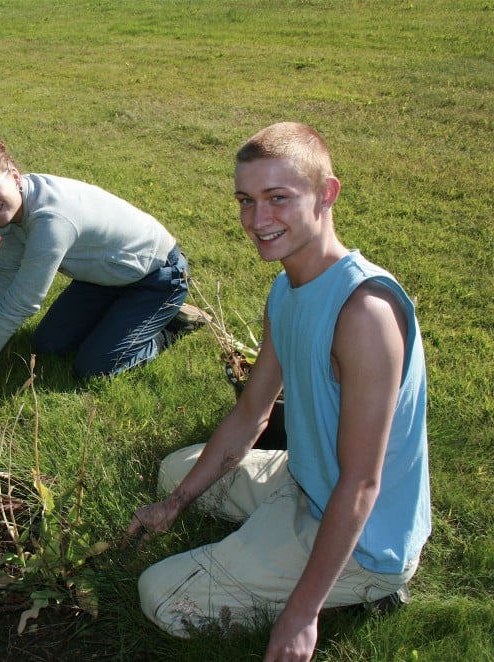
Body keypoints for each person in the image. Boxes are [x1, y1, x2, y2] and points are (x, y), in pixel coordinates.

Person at [127, 122, 431, 661]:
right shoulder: (288, 285)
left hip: (366, 535)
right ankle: (269, 541)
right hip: (307, 478)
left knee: (161, 596)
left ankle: (364, 588)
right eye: (246, 200)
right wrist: (175, 505)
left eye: (278, 199)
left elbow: (362, 484)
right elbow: (251, 413)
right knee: (176, 473)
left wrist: (300, 615)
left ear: (326, 194)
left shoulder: (364, 314)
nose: (257, 220)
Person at [0, 137, 208, 379]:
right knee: (47, 344)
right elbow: (5, 274)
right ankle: (123, 315)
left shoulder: (50, 220)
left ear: (14, 176)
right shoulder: (16, 206)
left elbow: (22, 302)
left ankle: (168, 326)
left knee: (94, 366)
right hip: (104, 277)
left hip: (157, 275)